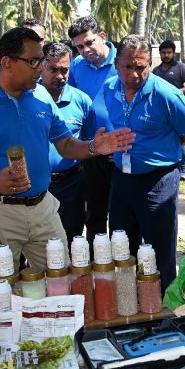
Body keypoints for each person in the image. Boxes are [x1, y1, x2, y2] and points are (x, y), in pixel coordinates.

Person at [0, 27, 134, 270]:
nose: (40, 68)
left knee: (62, 278)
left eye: (41, 60)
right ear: (7, 62)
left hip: (43, 209)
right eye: (33, 61)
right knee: (1, 285)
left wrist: (94, 146)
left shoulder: (41, 95)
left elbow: (66, 145)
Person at [93, 35, 185, 291]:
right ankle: (127, 300)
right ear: (116, 64)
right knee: (121, 247)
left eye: (140, 67)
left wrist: (158, 149)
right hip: (121, 178)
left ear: (150, 65)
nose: (134, 74)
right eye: (127, 66)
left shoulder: (167, 95)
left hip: (158, 181)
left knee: (159, 250)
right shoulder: (109, 88)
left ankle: (163, 304)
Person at [67, 15, 118, 247]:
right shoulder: (76, 67)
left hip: (121, 149)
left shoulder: (122, 62)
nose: (85, 50)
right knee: (94, 212)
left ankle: (125, 258)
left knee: (121, 210)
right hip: (91, 149)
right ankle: (97, 258)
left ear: (102, 37)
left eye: (89, 42)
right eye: (79, 46)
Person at [40, 41, 92, 239]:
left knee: (71, 241)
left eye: (64, 70)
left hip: (71, 186)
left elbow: (89, 143)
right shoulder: (27, 99)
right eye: (53, 69)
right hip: (36, 185)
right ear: (41, 66)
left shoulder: (82, 101)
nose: (60, 76)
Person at [152, 39, 185, 180]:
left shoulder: (180, 67)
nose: (166, 55)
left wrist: (175, 93)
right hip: (160, 111)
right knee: (163, 136)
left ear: (173, 53)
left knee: (180, 137)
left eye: (169, 52)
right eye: (163, 53)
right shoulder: (156, 71)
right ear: (160, 53)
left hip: (177, 108)